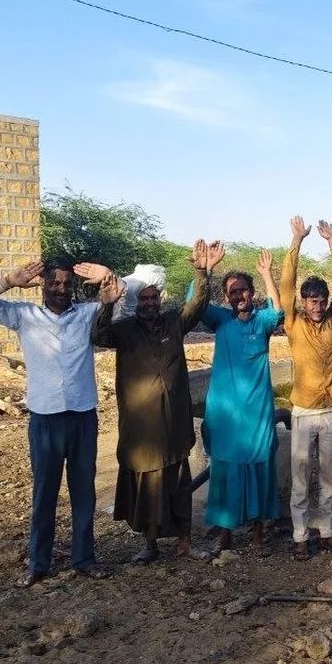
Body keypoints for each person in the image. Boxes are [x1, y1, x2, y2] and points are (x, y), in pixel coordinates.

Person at [0, 258, 113, 586]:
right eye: (55, 283)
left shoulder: (88, 314)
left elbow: (127, 302)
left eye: (66, 283)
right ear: (44, 285)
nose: (61, 289)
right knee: (44, 494)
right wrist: (7, 281)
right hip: (45, 421)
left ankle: (84, 558)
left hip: (82, 418)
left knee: (84, 493)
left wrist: (109, 278)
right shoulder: (24, 316)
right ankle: (38, 563)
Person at [91, 241, 215, 564]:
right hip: (142, 429)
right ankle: (150, 544)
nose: (148, 303)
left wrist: (201, 273)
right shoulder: (125, 330)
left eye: (153, 298)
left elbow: (197, 304)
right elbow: (98, 336)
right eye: (143, 298)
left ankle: (185, 541)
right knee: (147, 487)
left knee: (179, 484)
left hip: (174, 425)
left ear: (160, 299)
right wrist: (107, 305)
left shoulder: (174, 322)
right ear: (137, 302)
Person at [196, 249, 284, 555]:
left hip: (257, 412)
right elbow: (196, 303)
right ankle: (226, 535)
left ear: (252, 292)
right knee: (225, 471)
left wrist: (267, 274)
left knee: (259, 469)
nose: (239, 296)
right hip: (225, 413)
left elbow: (279, 311)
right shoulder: (220, 320)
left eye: (243, 290)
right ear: (226, 296)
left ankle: (258, 535)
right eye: (232, 292)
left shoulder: (262, 321)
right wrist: (205, 270)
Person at [279, 215, 332, 561]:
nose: (318, 307)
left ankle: (328, 532)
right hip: (303, 412)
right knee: (299, 477)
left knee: (328, 478)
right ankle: (300, 536)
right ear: (303, 303)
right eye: (312, 302)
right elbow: (286, 284)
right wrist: (297, 241)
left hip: (331, 412)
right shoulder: (293, 323)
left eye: (321, 301)